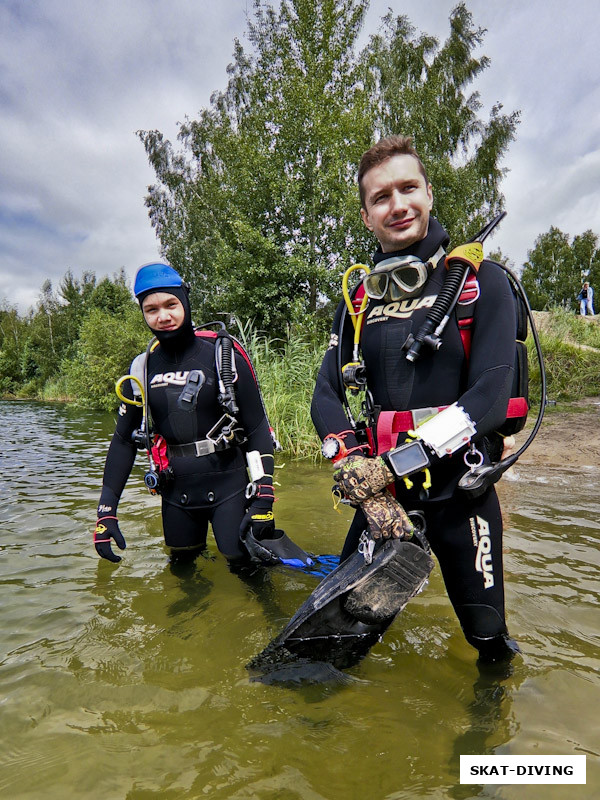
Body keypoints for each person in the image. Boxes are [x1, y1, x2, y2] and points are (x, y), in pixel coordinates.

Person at [310, 135, 521, 664]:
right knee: (338, 640)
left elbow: (492, 397)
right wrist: (359, 471)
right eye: (381, 197)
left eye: (408, 188)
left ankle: (492, 743)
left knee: (488, 640)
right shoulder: (358, 301)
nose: (397, 205)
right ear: (366, 216)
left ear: (428, 193)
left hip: (459, 495)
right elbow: (325, 394)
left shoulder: (483, 284)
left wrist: (395, 464)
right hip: (382, 502)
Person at [94, 261, 312, 571]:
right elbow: (123, 442)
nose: (163, 316)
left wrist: (263, 495)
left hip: (230, 486)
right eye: (151, 309)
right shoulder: (140, 368)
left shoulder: (223, 355)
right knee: (181, 570)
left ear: (185, 300)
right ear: (142, 313)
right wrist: (106, 512)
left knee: (246, 567)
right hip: (176, 492)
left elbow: (257, 427)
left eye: (171, 304)